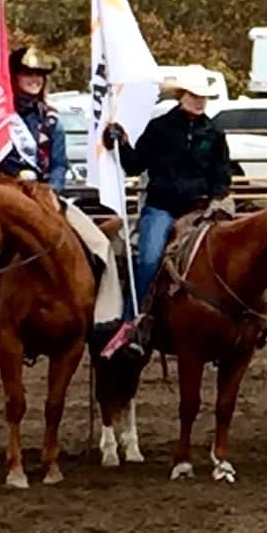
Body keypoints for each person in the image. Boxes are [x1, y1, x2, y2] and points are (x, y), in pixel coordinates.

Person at [105, 65, 233, 355]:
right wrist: (120, 144)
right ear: (182, 95)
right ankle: (132, 321)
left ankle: (240, 317)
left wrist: (216, 200)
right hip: (161, 207)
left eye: (203, 96)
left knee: (227, 256)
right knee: (149, 258)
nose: (200, 101)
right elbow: (136, 164)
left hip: (199, 209)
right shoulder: (161, 128)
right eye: (194, 95)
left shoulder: (214, 134)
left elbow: (221, 175)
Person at [0, 46, 68, 192]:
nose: (35, 79)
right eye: (28, 74)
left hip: (42, 193)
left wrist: (52, 191)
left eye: (39, 74)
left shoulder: (50, 120)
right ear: (15, 77)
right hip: (5, 192)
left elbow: (59, 165)